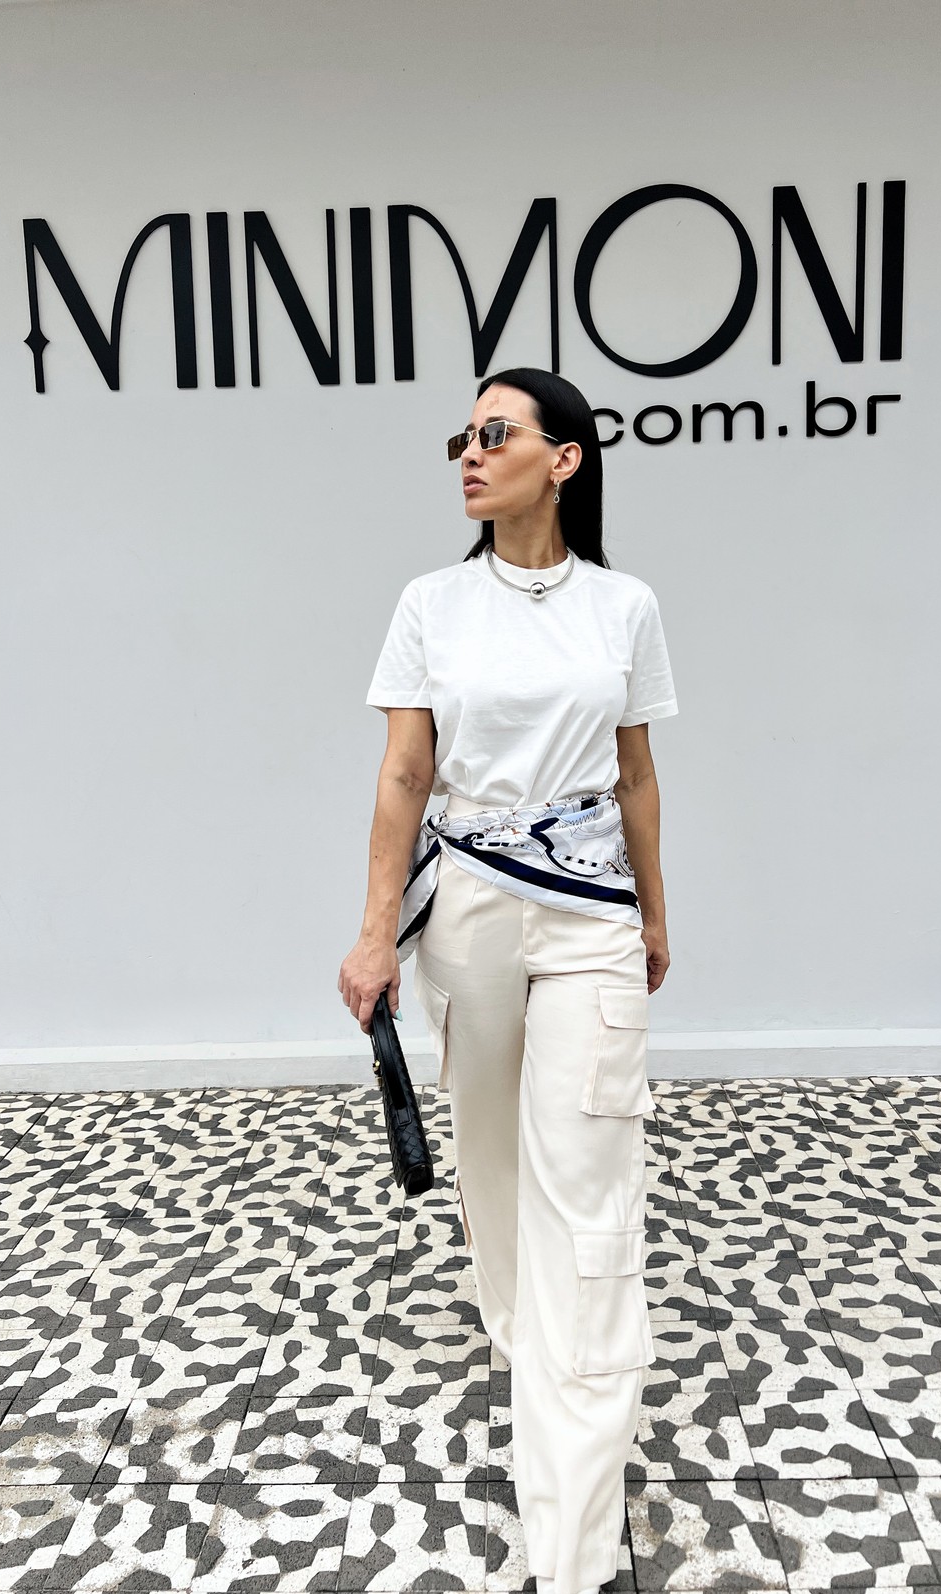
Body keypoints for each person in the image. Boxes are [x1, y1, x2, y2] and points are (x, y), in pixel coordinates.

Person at [338, 366, 678, 1594]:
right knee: (490, 1162)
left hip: (590, 910)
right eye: (463, 438)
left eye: (495, 433)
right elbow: (403, 773)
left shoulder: (623, 605)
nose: (470, 455)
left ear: (565, 458)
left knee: (586, 1187)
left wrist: (654, 910)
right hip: (470, 910)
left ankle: (571, 1540)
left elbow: (634, 773)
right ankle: (531, 1344)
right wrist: (375, 933)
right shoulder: (431, 602)